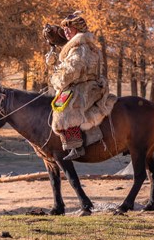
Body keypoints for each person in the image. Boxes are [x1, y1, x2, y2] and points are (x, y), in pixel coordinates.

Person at [47, 12, 115, 160]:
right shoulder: (78, 46)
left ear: (77, 29)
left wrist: (57, 79)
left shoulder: (80, 47)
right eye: (64, 29)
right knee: (59, 103)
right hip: (81, 85)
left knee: (64, 109)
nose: (65, 31)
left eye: (69, 28)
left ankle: (76, 146)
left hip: (86, 87)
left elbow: (73, 70)